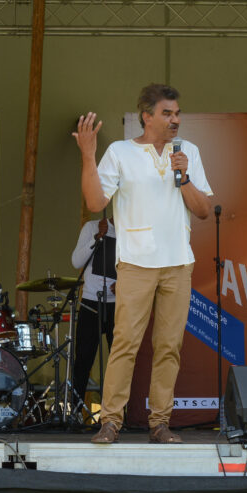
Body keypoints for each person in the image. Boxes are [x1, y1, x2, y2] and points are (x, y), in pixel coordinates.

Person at [72, 83, 213, 444]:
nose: (175, 120)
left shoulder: (188, 152)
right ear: (147, 116)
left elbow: (203, 210)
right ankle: (111, 421)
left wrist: (184, 177)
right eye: (167, 113)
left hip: (178, 264)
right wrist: (88, 155)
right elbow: (95, 203)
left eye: (177, 113)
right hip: (135, 263)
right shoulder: (120, 152)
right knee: (125, 344)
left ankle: (159, 423)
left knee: (169, 347)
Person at [70, 217, 116, 410]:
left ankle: (120, 413)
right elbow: (76, 261)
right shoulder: (92, 227)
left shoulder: (132, 232)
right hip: (91, 301)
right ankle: (76, 411)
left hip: (118, 304)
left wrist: (124, 282)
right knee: (83, 359)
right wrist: (97, 237)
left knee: (120, 360)